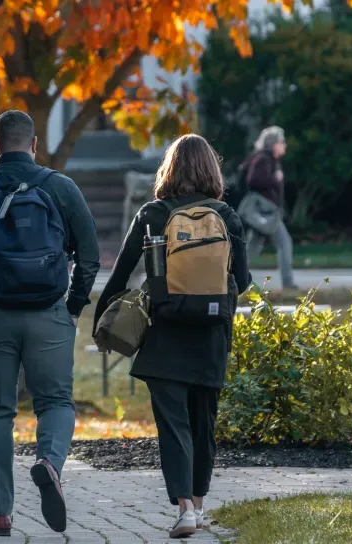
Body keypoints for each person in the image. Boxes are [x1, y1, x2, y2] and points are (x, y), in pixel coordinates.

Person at [0, 110, 100, 536]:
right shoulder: (61, 188)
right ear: (34, 145)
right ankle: (49, 461)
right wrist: (72, 307)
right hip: (49, 312)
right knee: (57, 402)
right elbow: (91, 255)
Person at [93, 134, 251, 538]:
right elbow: (244, 281)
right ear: (212, 171)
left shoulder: (151, 215)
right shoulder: (227, 217)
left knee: (174, 426)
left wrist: (102, 319)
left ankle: (183, 508)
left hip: (164, 333)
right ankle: (198, 507)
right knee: (204, 424)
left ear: (169, 170)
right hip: (212, 334)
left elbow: (122, 273)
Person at [238, 125, 296, 289]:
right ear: (273, 144)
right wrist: (274, 179)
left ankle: (234, 280)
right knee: (285, 243)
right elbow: (253, 180)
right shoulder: (264, 159)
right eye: (281, 142)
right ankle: (288, 282)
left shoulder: (271, 160)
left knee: (252, 249)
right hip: (266, 213)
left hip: (266, 214)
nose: (284, 144)